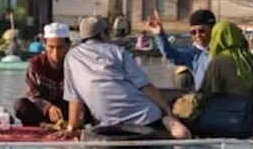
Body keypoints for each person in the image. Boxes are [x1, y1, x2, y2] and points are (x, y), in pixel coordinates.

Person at [61, 16, 191, 138]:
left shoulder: (71, 57)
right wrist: (168, 111)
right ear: (102, 34)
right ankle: (179, 132)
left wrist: (71, 128)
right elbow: (145, 86)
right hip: (143, 117)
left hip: (108, 124)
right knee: (169, 121)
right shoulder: (117, 51)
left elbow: (75, 99)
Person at [188, 21, 253, 137]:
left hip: (227, 123)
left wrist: (191, 114)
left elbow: (205, 94)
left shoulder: (219, 62)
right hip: (251, 124)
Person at [14, 23, 71, 127]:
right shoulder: (36, 63)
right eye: (51, 47)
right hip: (43, 111)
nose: (55, 52)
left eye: (60, 47)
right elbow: (32, 94)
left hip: (67, 111)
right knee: (20, 105)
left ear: (68, 46)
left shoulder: (75, 64)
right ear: (45, 45)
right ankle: (41, 125)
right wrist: (48, 107)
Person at [154, 10, 215, 89]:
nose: (198, 35)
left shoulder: (224, 52)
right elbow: (171, 55)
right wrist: (160, 35)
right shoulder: (194, 55)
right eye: (193, 32)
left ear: (213, 30)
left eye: (202, 31)